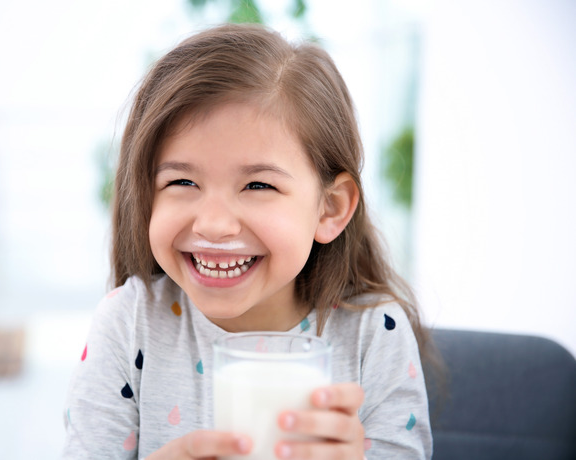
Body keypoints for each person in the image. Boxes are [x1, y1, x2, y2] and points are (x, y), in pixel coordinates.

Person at [62, 23, 433, 460]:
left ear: (329, 208)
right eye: (182, 180)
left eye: (258, 186)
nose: (215, 225)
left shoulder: (374, 333)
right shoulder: (129, 324)